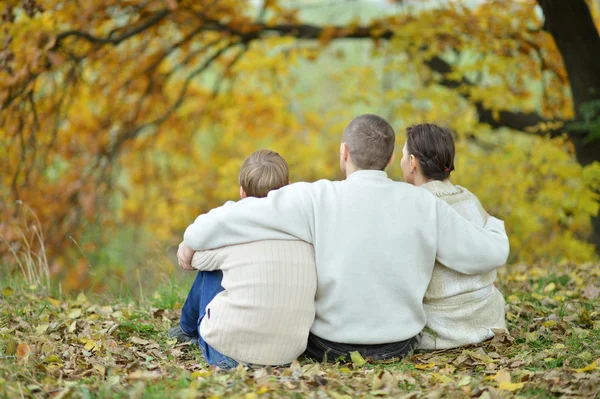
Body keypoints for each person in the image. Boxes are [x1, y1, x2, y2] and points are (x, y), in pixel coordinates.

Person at [178, 114, 510, 363]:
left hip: (328, 346)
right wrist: (494, 225)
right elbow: (487, 253)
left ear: (344, 152)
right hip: (398, 344)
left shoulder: (315, 198)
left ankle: (187, 329)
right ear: (392, 159)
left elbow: (238, 214)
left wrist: (190, 242)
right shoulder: (424, 204)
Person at [171, 149, 317, 369]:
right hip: (289, 354)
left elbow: (196, 258)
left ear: (241, 192)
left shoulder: (231, 224)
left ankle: (187, 329)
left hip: (229, 355)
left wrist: (188, 248)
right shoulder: (305, 226)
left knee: (210, 267)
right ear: (288, 186)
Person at [399, 123, 507, 350]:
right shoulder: (469, 198)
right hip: (489, 318)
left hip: (442, 330)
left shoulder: (412, 204)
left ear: (412, 162)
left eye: (402, 155)